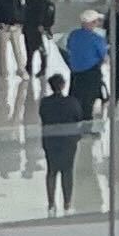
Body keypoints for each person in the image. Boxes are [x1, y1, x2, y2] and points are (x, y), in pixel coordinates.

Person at [34, 71, 88, 210]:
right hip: (69, 141)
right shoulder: (72, 102)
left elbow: (43, 116)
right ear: (63, 85)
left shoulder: (45, 103)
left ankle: (51, 202)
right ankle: (67, 202)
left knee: (51, 171)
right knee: (67, 171)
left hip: (50, 141)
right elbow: (79, 117)